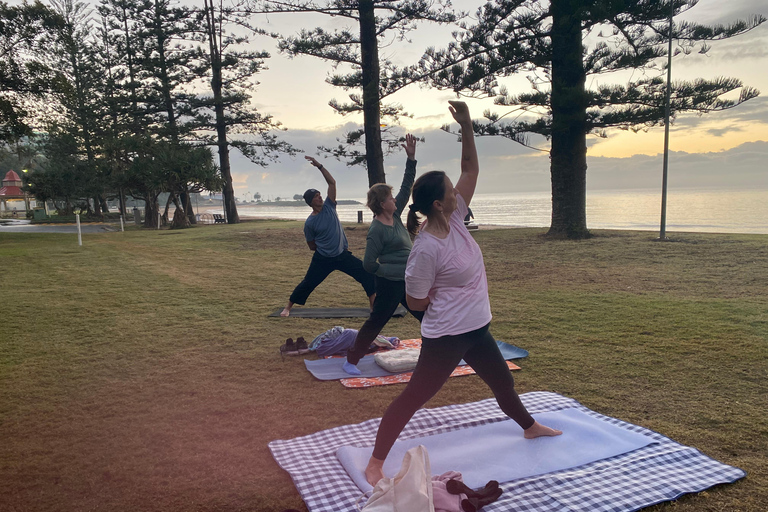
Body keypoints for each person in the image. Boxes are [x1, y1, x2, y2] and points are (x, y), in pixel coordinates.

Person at [364, 101, 562, 486]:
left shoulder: (455, 217)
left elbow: (470, 168)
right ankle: (375, 462)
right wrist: (444, 299)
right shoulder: (426, 249)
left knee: (503, 382)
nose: (458, 191)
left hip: (477, 328)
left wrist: (467, 125)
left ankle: (529, 426)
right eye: (450, 191)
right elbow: (417, 301)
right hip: (447, 336)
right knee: (414, 398)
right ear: (438, 203)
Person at [342, 134, 425, 376]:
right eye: (389, 197)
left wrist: (411, 159)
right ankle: (351, 361)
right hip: (389, 284)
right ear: (381, 203)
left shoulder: (395, 215)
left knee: (427, 316)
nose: (394, 199)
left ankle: (442, 350)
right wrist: (391, 271)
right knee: (376, 322)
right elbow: (369, 264)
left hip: (408, 280)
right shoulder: (377, 229)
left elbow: (406, 185)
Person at [280, 156, 376, 317]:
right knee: (308, 283)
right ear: (311, 202)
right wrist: (326, 249)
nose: (320, 197)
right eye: (316, 196)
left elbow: (332, 183)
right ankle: (288, 307)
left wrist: (319, 166)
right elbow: (311, 245)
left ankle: (374, 307)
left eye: (319, 194)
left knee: (366, 274)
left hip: (342, 256)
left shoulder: (330, 207)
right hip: (323, 259)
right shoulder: (310, 223)